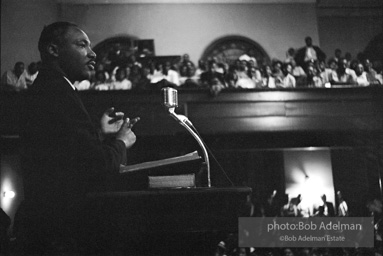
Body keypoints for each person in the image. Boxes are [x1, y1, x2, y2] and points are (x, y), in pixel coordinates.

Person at [17, 21, 139, 254]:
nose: (93, 53)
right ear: (54, 50)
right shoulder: (58, 93)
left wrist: (100, 133)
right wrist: (122, 141)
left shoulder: (50, 88)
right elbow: (96, 166)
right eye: (82, 45)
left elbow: (66, 152)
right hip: (62, 233)